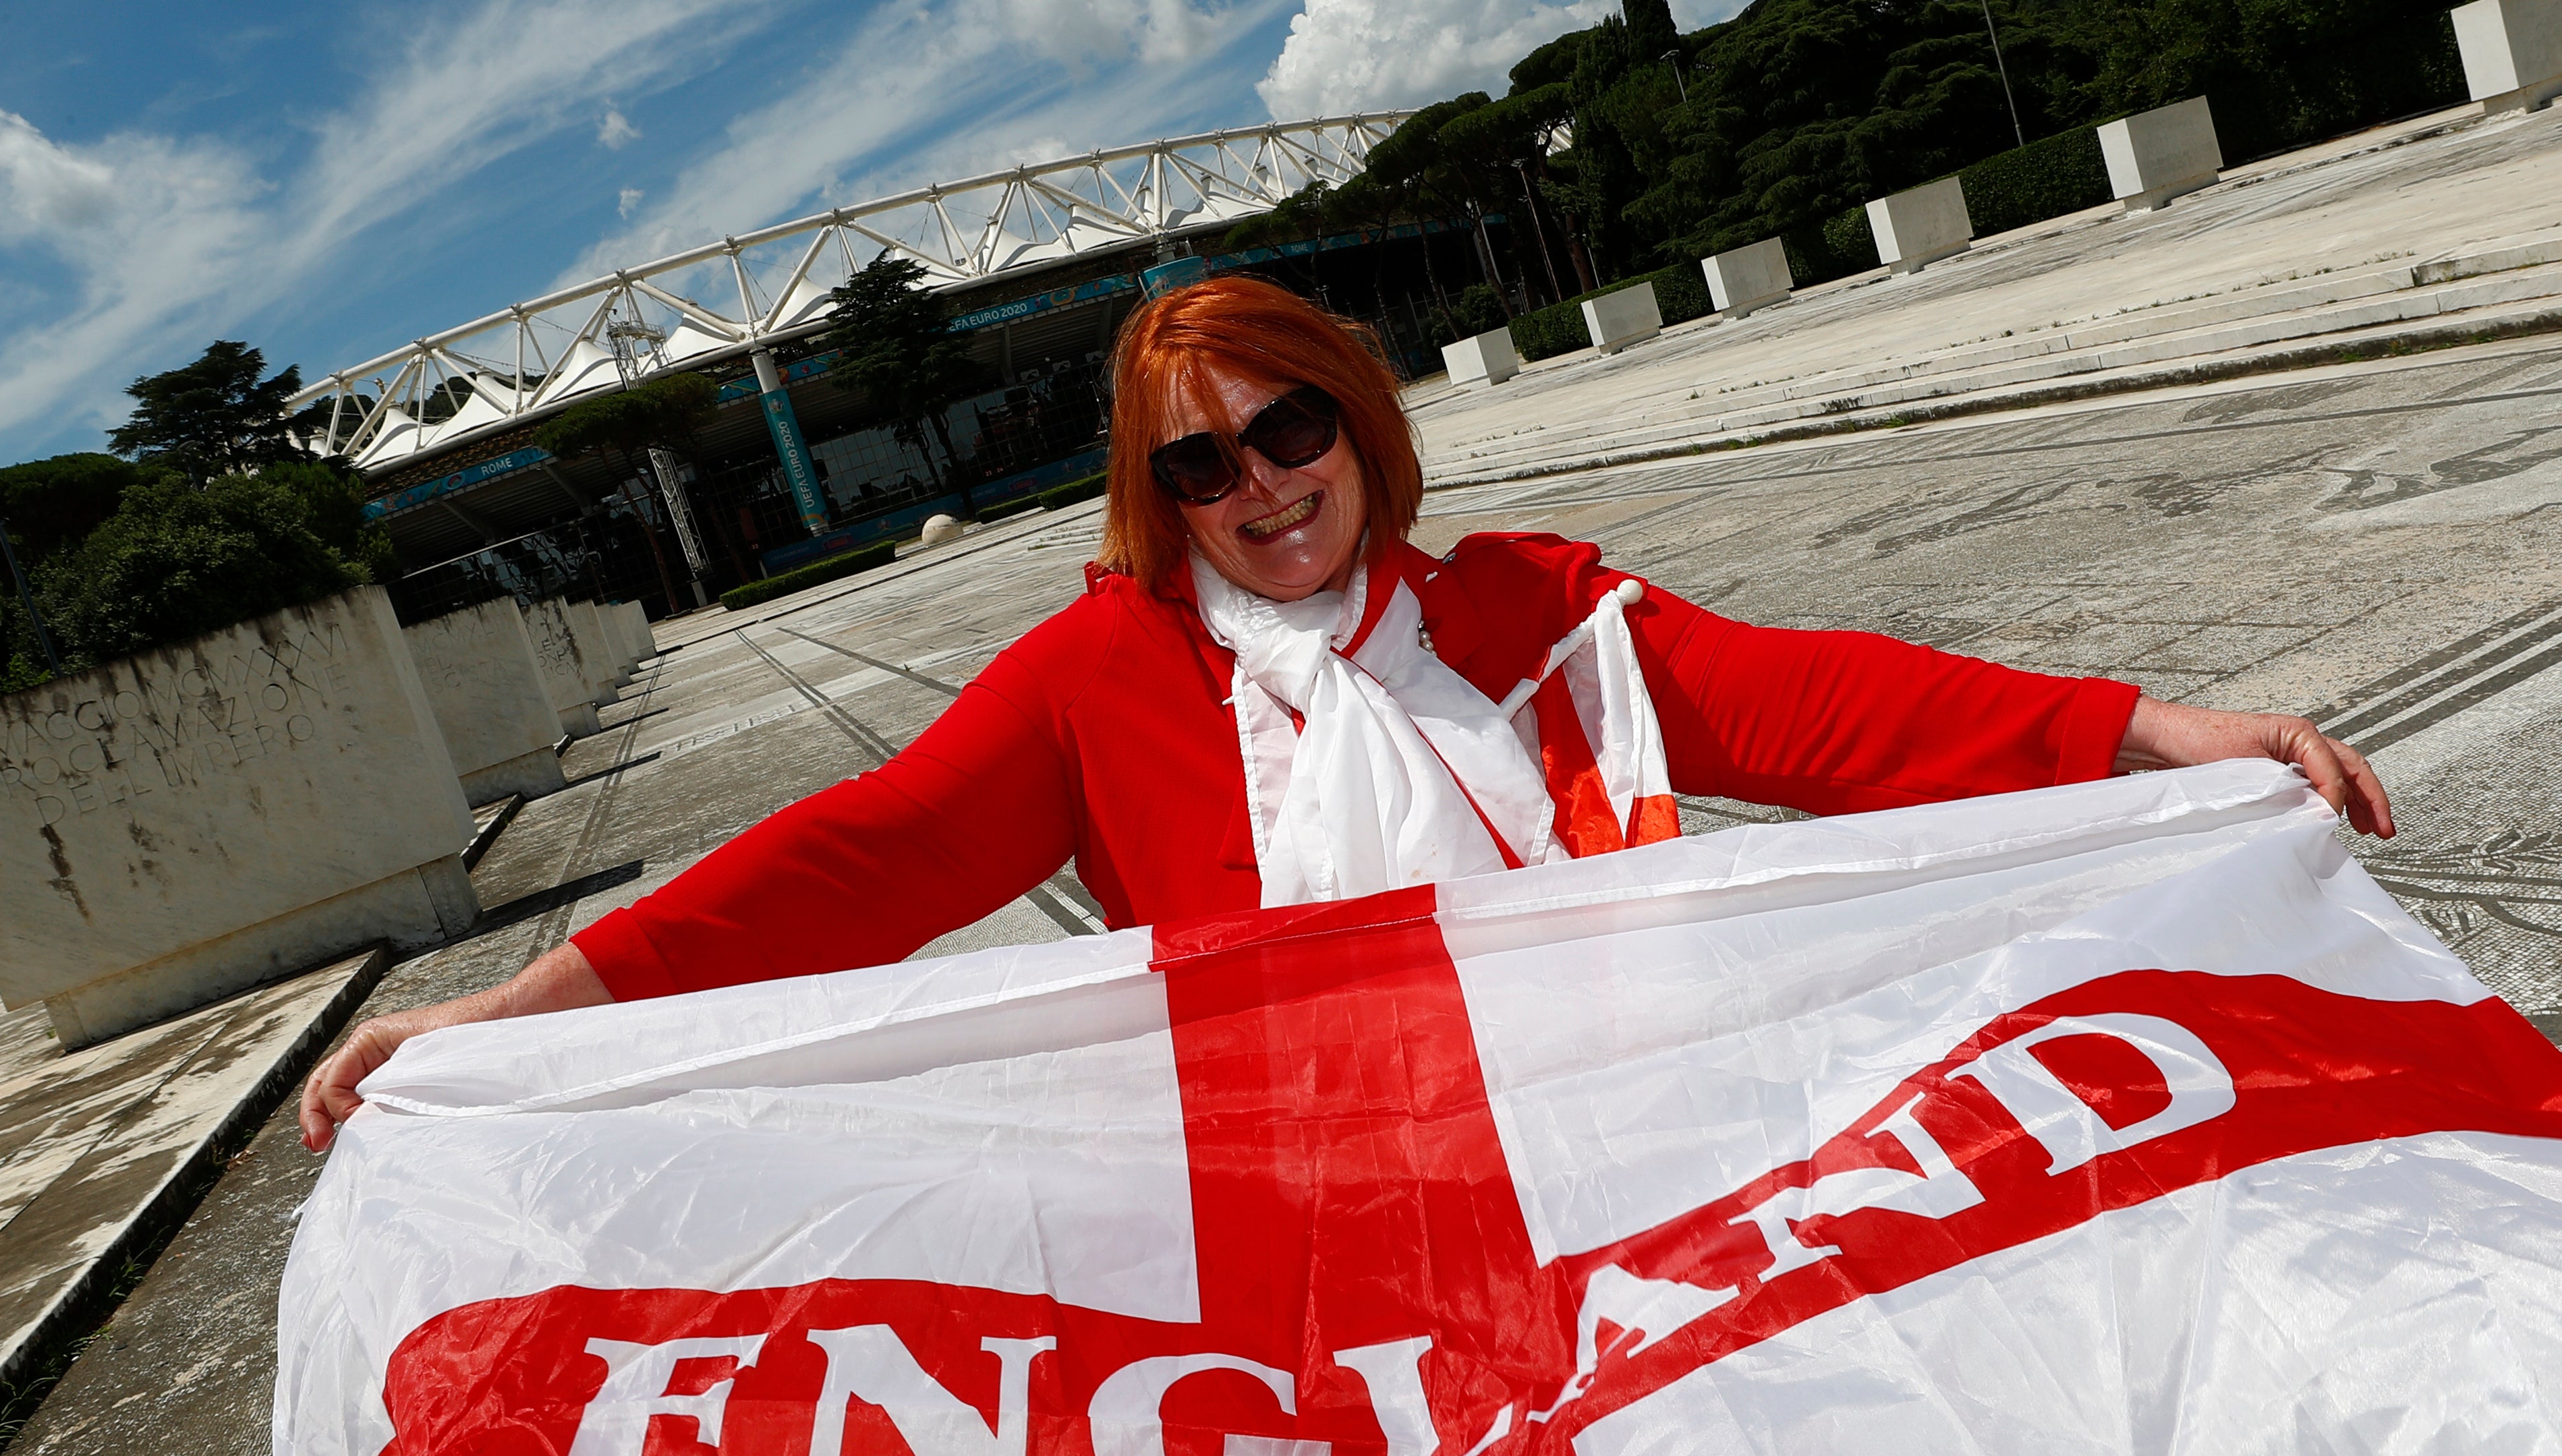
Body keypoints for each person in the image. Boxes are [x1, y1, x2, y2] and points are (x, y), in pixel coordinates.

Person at [300, 276, 2391, 1151]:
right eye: (1196, 467)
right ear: (1153, 500)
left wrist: (2147, 732)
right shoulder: (1095, 672)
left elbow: (1822, 709)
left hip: (1634, 1138)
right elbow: (844, 868)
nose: (1257, 488)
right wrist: (513, 1023)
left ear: (1358, 422)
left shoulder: (1531, 608)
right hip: (1309, 1202)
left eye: (1286, 429)